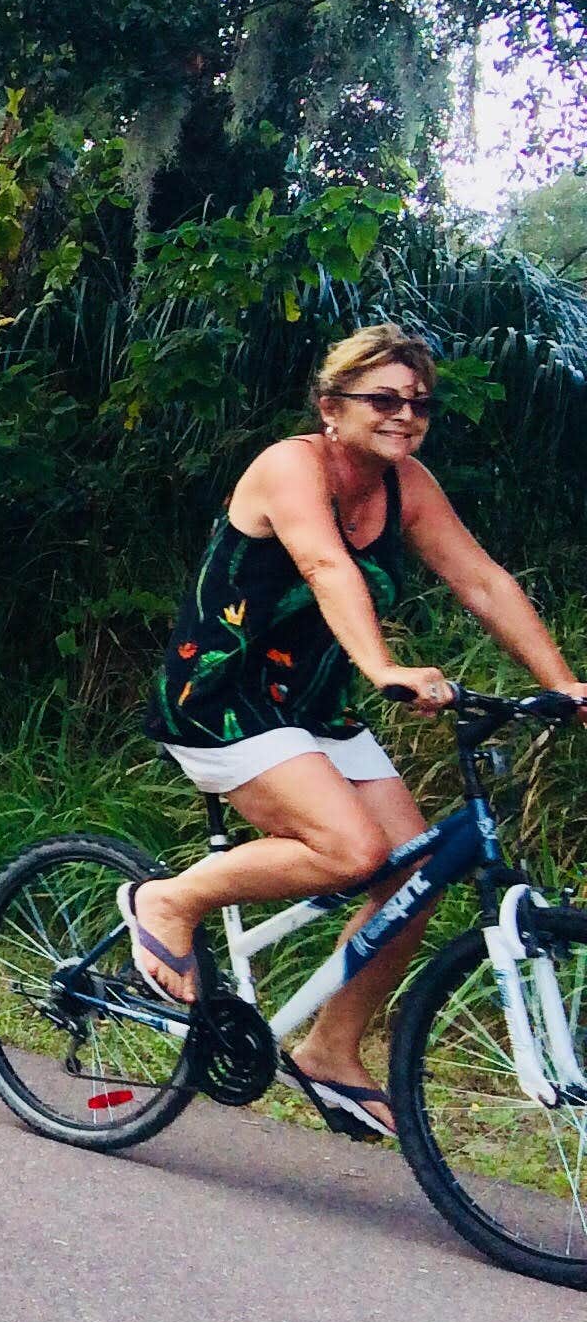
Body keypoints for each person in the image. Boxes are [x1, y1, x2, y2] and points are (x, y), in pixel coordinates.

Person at [129, 324, 580, 1137]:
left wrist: (564, 684)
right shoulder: (289, 466)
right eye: (384, 399)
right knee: (352, 849)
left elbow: (481, 580)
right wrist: (383, 666)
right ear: (331, 407)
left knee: (415, 872)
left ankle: (331, 1051)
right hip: (224, 697)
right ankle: (169, 900)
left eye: (420, 404)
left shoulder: (408, 485)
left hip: (313, 707)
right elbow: (324, 565)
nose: (405, 415)